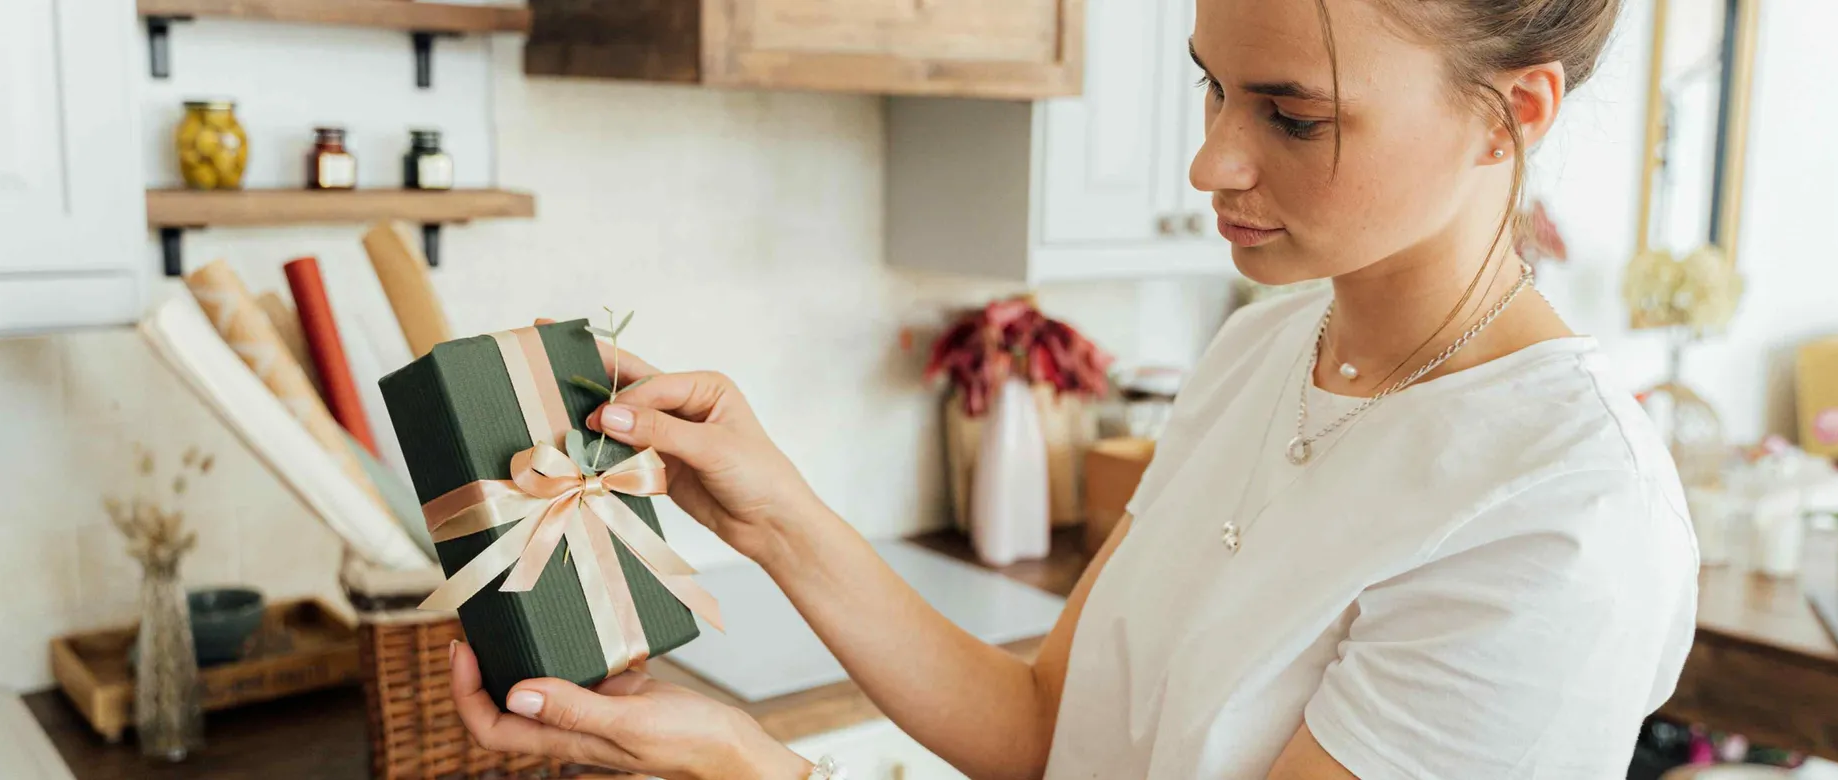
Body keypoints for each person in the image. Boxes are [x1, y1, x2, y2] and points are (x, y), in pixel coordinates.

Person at [449, 0, 1699, 776]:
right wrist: (776, 515)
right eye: (1210, 83)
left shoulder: (1555, 516)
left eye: (1293, 115)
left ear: (1507, 115)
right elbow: (1049, 729)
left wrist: (751, 769)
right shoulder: (1263, 352)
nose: (1211, 158)